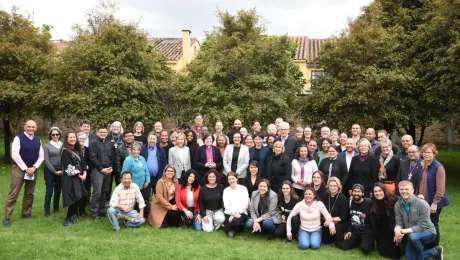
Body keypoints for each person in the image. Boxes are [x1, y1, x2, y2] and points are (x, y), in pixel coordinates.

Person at [4, 120, 44, 226]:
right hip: (19, 169)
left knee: (29, 193)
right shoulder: (18, 138)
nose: (31, 128)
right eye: (29, 126)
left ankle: (26, 213)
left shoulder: (38, 140)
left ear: (36, 128)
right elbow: (15, 155)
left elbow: (41, 156)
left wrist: (34, 167)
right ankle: (7, 217)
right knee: (13, 193)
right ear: (25, 127)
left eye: (33, 127)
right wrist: (26, 168)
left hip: (33, 170)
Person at [394, 181, 444, 260]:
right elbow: (399, 221)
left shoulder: (422, 204)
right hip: (411, 234)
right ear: (399, 190)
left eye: (407, 189)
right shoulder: (398, 204)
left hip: (428, 232)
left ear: (413, 190)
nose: (404, 191)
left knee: (413, 236)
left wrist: (402, 231)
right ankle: (435, 251)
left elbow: (422, 226)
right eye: (401, 189)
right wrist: (397, 230)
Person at [417, 143, 449, 247]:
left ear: (434, 153)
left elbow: (441, 188)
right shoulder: (423, 165)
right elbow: (420, 183)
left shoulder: (438, 167)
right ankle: (428, 246)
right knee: (425, 224)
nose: (426, 154)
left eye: (429, 152)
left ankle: (436, 248)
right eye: (424, 152)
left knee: (433, 224)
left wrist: (435, 203)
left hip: (434, 202)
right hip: (423, 200)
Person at [60, 132, 88, 226]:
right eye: (70, 137)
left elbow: (83, 163)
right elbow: (68, 166)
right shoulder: (65, 151)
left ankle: (73, 216)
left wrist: (84, 173)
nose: (72, 139)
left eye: (73, 137)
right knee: (73, 197)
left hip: (78, 176)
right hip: (70, 177)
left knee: (78, 196)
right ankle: (68, 219)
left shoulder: (76, 150)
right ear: (66, 139)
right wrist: (79, 175)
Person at [370, 182, 402, 259]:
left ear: (384, 190)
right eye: (375, 191)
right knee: (383, 253)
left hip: (394, 227)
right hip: (383, 230)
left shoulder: (394, 200)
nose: (378, 193)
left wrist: (397, 231)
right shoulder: (373, 201)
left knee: (394, 255)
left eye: (380, 190)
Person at [340, 184, 374, 254]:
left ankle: (368, 241)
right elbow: (349, 217)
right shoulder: (349, 202)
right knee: (344, 246)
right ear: (352, 192)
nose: (356, 193)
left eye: (359, 191)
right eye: (354, 191)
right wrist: (349, 230)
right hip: (355, 231)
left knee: (365, 249)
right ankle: (360, 241)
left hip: (366, 231)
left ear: (363, 193)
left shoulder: (369, 202)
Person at [89, 126, 113, 220]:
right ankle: (94, 213)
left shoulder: (108, 143)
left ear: (107, 133)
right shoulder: (93, 143)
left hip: (107, 170)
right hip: (97, 171)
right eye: (101, 132)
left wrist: (110, 167)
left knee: (104, 191)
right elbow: (93, 158)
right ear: (97, 132)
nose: (103, 134)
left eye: (104, 132)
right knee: (97, 192)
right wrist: (101, 169)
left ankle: (101, 210)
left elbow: (111, 157)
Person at [121, 143, 150, 217]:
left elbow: (146, 170)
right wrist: (127, 183)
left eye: (138, 150)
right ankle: (130, 215)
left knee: (144, 200)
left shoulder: (142, 158)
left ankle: (145, 215)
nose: (136, 151)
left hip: (143, 184)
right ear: (131, 151)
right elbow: (124, 172)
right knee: (133, 201)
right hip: (133, 185)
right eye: (134, 150)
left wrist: (147, 180)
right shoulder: (128, 160)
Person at [321, 177, 349, 246]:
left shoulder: (343, 198)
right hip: (328, 221)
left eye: (334, 186)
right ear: (328, 186)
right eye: (331, 185)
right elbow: (323, 213)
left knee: (339, 242)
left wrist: (331, 221)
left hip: (340, 222)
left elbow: (343, 217)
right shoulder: (326, 196)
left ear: (338, 186)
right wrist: (331, 224)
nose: (332, 187)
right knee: (325, 241)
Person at [43, 126, 63, 217]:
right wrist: (54, 171)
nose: (55, 136)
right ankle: (47, 211)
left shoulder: (62, 145)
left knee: (58, 190)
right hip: (50, 171)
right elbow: (46, 160)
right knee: (49, 191)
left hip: (60, 171)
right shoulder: (47, 146)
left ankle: (56, 208)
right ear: (50, 135)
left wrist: (61, 170)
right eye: (53, 134)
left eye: (57, 134)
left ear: (59, 135)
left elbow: (65, 158)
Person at [223, 172, 249, 238]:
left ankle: (237, 226)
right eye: (229, 179)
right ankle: (239, 228)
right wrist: (233, 214)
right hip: (229, 213)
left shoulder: (243, 188)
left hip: (241, 213)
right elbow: (226, 205)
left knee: (234, 221)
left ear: (237, 178)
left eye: (233, 178)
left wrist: (237, 213)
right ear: (227, 180)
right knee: (228, 231)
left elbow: (245, 204)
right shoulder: (226, 190)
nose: (231, 181)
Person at [106, 121, 124, 204]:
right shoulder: (107, 137)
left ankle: (119, 200)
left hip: (120, 163)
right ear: (111, 128)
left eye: (118, 127)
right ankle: (106, 199)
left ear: (120, 128)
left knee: (119, 182)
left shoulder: (123, 137)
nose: (116, 128)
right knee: (108, 183)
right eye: (114, 126)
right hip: (109, 163)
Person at [77, 132, 91, 216]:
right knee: (77, 192)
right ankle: (75, 211)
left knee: (84, 192)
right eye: (80, 138)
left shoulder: (87, 149)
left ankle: (82, 211)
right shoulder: (74, 149)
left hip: (86, 174)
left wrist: (86, 171)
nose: (82, 140)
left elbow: (90, 161)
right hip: (76, 173)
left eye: (83, 139)